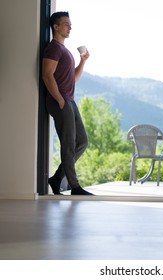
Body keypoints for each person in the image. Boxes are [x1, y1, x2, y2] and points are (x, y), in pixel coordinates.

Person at [42, 11, 93, 195]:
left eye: (70, 24)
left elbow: (74, 78)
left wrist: (82, 61)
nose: (69, 27)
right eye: (66, 24)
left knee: (82, 142)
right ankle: (75, 186)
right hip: (61, 101)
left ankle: (57, 179)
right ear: (56, 27)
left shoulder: (65, 51)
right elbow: (47, 75)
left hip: (69, 101)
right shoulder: (53, 48)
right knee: (69, 144)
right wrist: (60, 100)